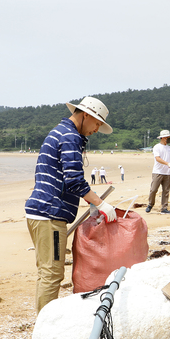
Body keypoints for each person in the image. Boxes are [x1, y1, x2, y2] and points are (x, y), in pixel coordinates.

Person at [25, 96, 117, 313]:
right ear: (86, 115)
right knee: (52, 274)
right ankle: (46, 330)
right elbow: (74, 180)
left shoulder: (60, 132)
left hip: (41, 211)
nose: (96, 130)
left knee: (46, 271)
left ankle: (43, 323)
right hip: (50, 214)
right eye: (97, 124)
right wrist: (101, 204)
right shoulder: (70, 136)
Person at [146, 130, 170, 215]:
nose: (169, 139)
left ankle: (164, 208)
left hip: (167, 173)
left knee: (166, 191)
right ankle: (150, 204)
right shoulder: (157, 147)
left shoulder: (169, 148)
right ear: (163, 138)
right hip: (157, 172)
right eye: (168, 137)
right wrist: (167, 163)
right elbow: (157, 158)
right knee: (153, 190)